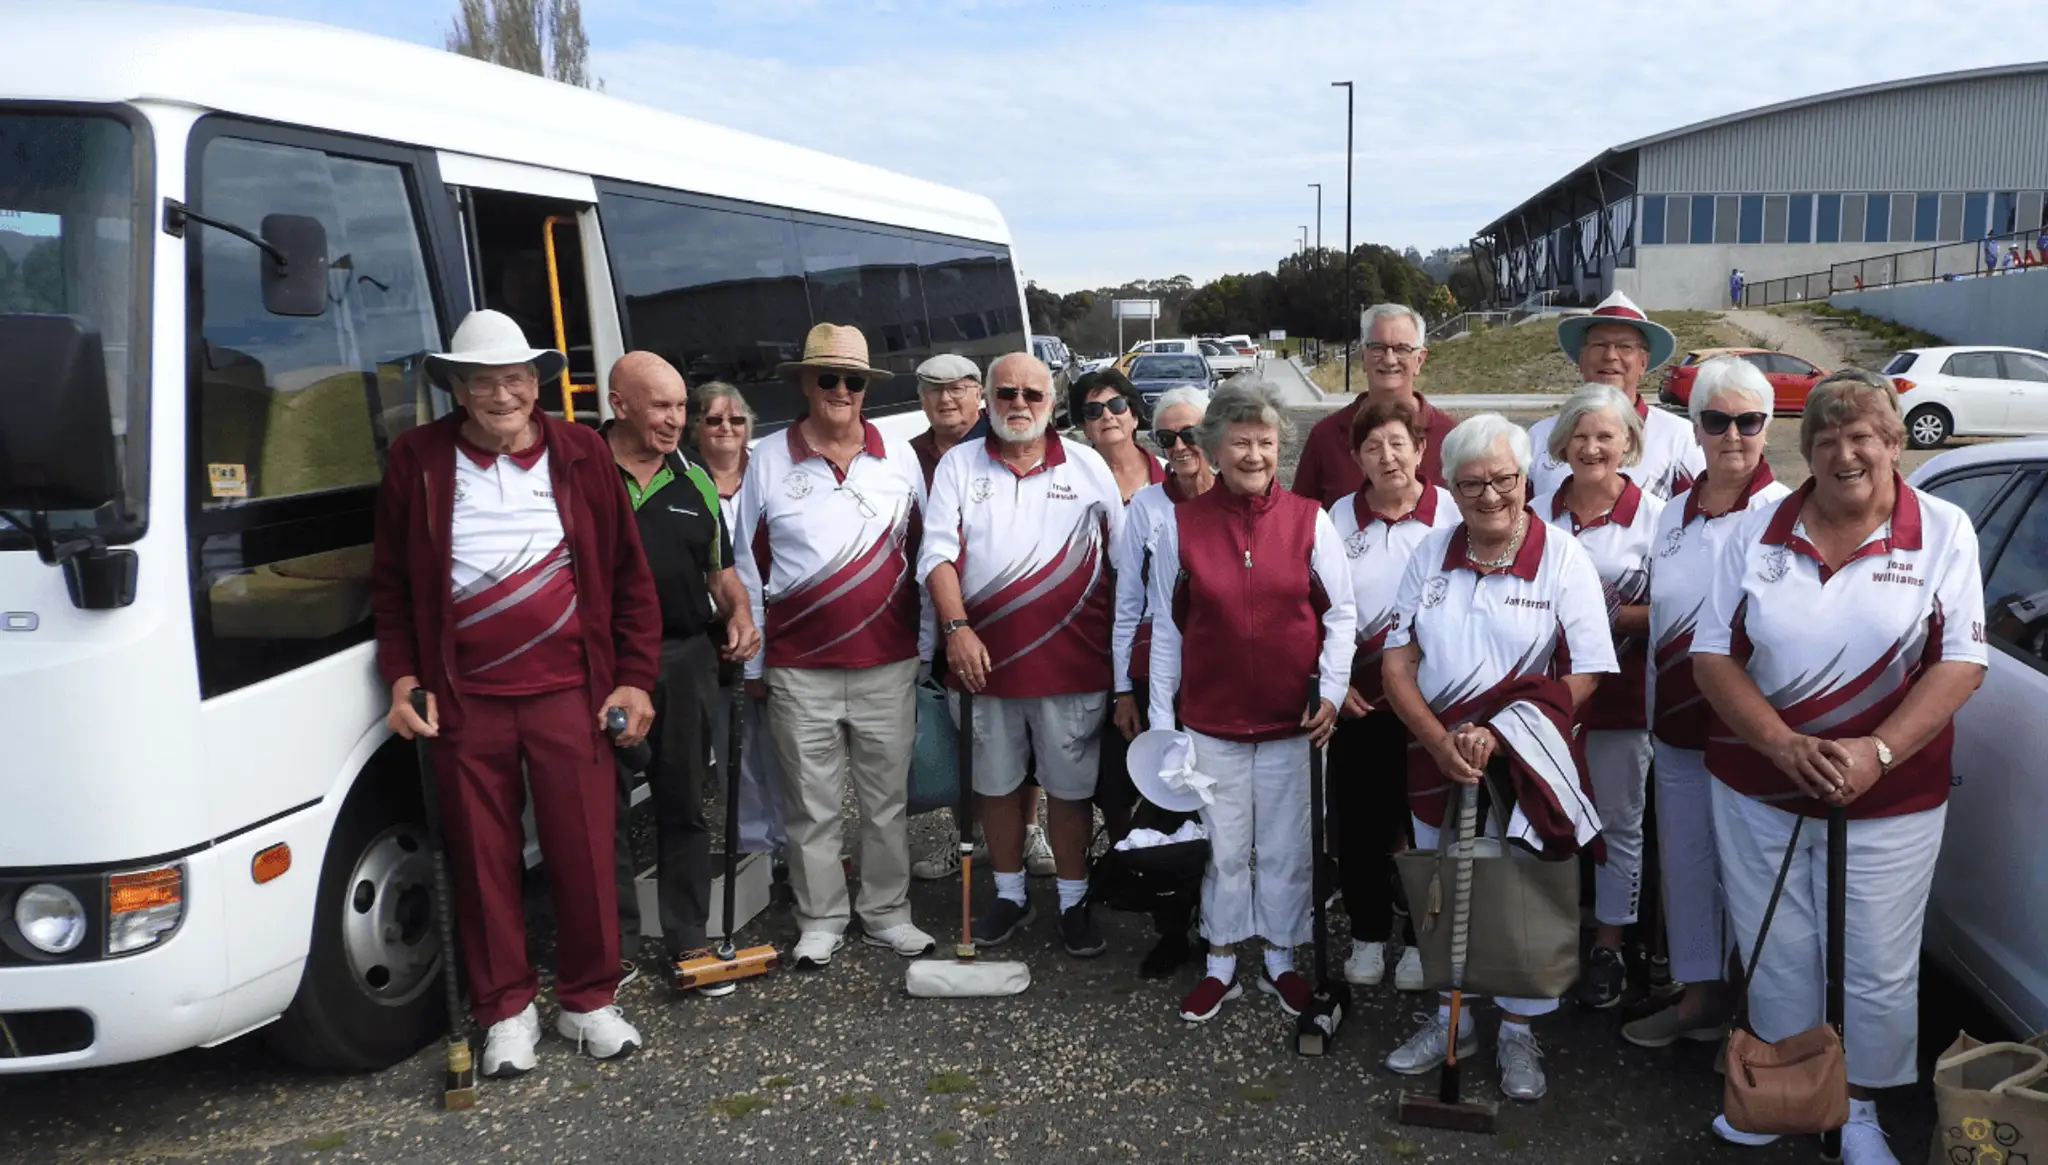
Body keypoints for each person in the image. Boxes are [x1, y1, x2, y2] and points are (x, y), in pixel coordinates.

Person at [1691, 369, 1986, 1161]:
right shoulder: (1758, 529)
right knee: (1775, 944)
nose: (1844, 454)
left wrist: (1876, 751)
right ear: (1808, 451)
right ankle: (1790, 1094)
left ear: (1894, 443)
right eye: (1825, 440)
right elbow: (1712, 656)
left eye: (1862, 437)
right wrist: (1781, 744)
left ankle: (1856, 1110)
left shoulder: (1945, 530)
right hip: (1758, 781)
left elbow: (1962, 660)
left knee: (1875, 959)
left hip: (1892, 793)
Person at [369, 309, 660, 1074]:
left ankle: (589, 999)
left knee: (585, 849)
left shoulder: (580, 452)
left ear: (537, 383)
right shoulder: (418, 460)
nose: (501, 395)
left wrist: (635, 676)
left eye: (514, 379)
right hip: (465, 697)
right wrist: (402, 675)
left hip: (573, 690)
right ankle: (505, 1009)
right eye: (482, 382)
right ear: (458, 390)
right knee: (480, 857)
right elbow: (391, 586)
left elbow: (629, 575)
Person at [1377, 414, 1617, 1102]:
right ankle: (1451, 1020)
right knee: (1441, 890)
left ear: (1525, 478)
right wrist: (1436, 740)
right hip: (1436, 757)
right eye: (1471, 484)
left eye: (1504, 480)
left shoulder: (1562, 556)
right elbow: (1398, 663)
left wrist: (1503, 733)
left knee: (1519, 898)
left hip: (1525, 761)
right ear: (1449, 488)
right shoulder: (1430, 553)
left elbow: (1588, 670)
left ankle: (1517, 1028)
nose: (1490, 496)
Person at [1146, 382, 1356, 1023]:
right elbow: (1167, 632)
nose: (1254, 454)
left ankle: (1281, 958)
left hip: (1294, 725)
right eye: (1240, 441)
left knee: (1289, 848)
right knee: (1224, 848)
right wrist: (1163, 727)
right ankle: (1221, 960)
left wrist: (1332, 691)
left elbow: (1340, 616)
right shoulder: (1179, 526)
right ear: (1214, 448)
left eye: (1265, 442)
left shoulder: (1310, 520)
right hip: (1211, 726)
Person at [734, 323, 937, 970]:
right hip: (799, 668)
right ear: (805, 382)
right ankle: (820, 918)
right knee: (810, 806)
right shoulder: (768, 458)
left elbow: (925, 552)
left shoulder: (899, 455)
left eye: (854, 380)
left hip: (888, 661)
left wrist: (926, 645)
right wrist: (756, 663)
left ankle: (887, 913)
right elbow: (748, 568)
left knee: (886, 804)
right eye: (829, 378)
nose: (842, 390)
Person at [919, 352, 1124, 957]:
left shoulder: (1087, 466)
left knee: (1069, 791)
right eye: (1006, 392)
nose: (1018, 404)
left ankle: (1072, 901)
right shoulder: (958, 465)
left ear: (1051, 402)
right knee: (996, 787)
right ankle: (1010, 895)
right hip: (983, 668)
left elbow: (1121, 564)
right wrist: (956, 628)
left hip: (1072, 666)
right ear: (987, 399)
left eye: (1032, 395)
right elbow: (936, 555)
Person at [1622, 356, 1790, 1050]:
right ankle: (1698, 996)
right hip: (1676, 727)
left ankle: (1755, 1019)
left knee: (1751, 880)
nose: (1732, 435)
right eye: (1716, 421)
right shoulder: (1672, 515)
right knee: (1688, 865)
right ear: (1695, 429)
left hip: (1748, 734)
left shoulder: (1788, 514)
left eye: (1748, 421)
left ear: (1767, 427)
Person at [602, 353, 761, 994]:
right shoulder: (583, 472)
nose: (675, 421)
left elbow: (720, 573)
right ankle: (613, 948)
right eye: (661, 407)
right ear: (619, 405)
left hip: (684, 656)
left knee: (683, 800)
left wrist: (740, 615)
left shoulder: (693, 478)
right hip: (607, 663)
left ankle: (689, 938)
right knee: (604, 809)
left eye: (679, 408)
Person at [1534, 384, 1667, 1010]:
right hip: (1545, 697)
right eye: (1580, 436)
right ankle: (1546, 938)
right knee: (1544, 816)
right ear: (1562, 443)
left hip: (1620, 698)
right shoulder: (1534, 511)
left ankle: (1610, 942)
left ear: (1628, 444)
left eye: (1605, 436)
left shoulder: (1660, 517)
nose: (1591, 447)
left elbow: (1676, 611)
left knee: (1618, 821)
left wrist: (1605, 615)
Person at [902, 354, 1053, 883]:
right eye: (933, 389)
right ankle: (966, 831)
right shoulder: (905, 457)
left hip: (1005, 616)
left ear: (979, 396)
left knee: (1022, 728)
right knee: (959, 732)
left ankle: (1027, 827)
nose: (945, 399)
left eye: (958, 389)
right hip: (936, 612)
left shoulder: (1005, 440)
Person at [1327, 397, 1457, 992]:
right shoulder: (1336, 518)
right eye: (1372, 447)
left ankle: (1418, 938)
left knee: (1424, 822)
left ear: (1421, 449)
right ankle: (1368, 931)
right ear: (1357, 458)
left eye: (1398, 444)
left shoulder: (1449, 514)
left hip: (1430, 703)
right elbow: (1314, 607)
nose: (1387, 457)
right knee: (1360, 823)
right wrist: (1335, 683)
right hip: (1361, 704)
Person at [1109, 383, 1212, 977]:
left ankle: (1222, 927)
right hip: (1161, 677)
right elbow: (1128, 605)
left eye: (1190, 434)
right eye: (1166, 437)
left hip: (1223, 675)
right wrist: (1123, 689)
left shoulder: (1235, 497)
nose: (1178, 446)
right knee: (1167, 801)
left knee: (1221, 801)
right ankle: (1173, 928)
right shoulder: (1146, 507)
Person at [688, 381, 785, 860]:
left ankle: (796, 845)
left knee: (789, 746)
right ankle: (755, 849)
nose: (726, 427)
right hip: (718, 634)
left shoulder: (771, 470)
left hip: (780, 626)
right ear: (695, 427)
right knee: (737, 746)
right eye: (713, 419)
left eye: (736, 419)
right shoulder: (684, 478)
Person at [1529, 290, 1705, 501]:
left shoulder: (1679, 438)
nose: (1610, 356)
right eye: (1599, 345)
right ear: (1581, 358)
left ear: (1643, 362)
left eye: (1624, 347)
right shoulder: (1540, 437)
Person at [1292, 303, 1458, 507]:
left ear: (1420, 360)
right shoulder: (1325, 437)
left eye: (1402, 349)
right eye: (1378, 348)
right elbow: (1299, 517)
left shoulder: (1450, 437)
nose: (1389, 360)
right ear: (1363, 356)